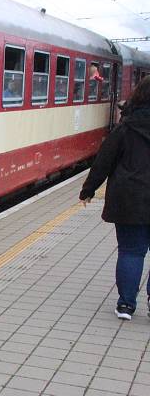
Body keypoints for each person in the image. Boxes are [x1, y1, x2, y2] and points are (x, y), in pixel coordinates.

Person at [80, 76, 150, 321]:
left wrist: (88, 190)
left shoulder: (125, 128)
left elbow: (103, 162)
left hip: (130, 200)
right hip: (133, 201)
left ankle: (126, 305)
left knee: (131, 252)